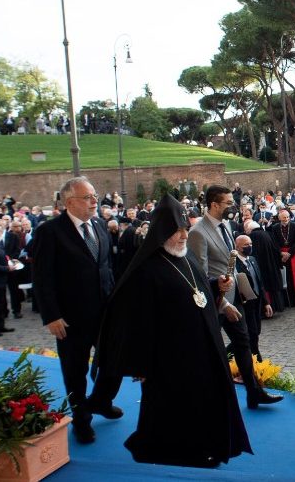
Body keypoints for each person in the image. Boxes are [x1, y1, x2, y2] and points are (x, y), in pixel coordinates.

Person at [97, 194, 252, 468]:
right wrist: (140, 363)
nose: (183, 235)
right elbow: (135, 321)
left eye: (185, 230)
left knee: (203, 400)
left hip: (201, 347)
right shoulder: (145, 270)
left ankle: (207, 444)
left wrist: (217, 287)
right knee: (175, 408)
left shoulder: (184, 255)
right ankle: (180, 450)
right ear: (161, 232)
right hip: (167, 358)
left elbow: (197, 287)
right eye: (177, 231)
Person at [33, 176, 123, 444]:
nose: (95, 201)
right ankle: (81, 419)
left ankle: (101, 401)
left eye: (95, 195)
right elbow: (42, 277)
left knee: (114, 361)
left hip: (105, 312)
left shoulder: (99, 225)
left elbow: (106, 268)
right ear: (70, 202)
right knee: (75, 371)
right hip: (71, 318)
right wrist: (51, 315)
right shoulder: (49, 232)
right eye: (88, 197)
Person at [188, 185, 280, 409]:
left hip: (233, 296)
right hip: (214, 302)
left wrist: (240, 286)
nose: (233, 206)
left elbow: (230, 259)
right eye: (228, 203)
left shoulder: (226, 225)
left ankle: (253, 392)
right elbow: (199, 275)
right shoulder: (198, 232)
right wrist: (224, 302)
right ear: (214, 204)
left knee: (243, 341)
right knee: (209, 350)